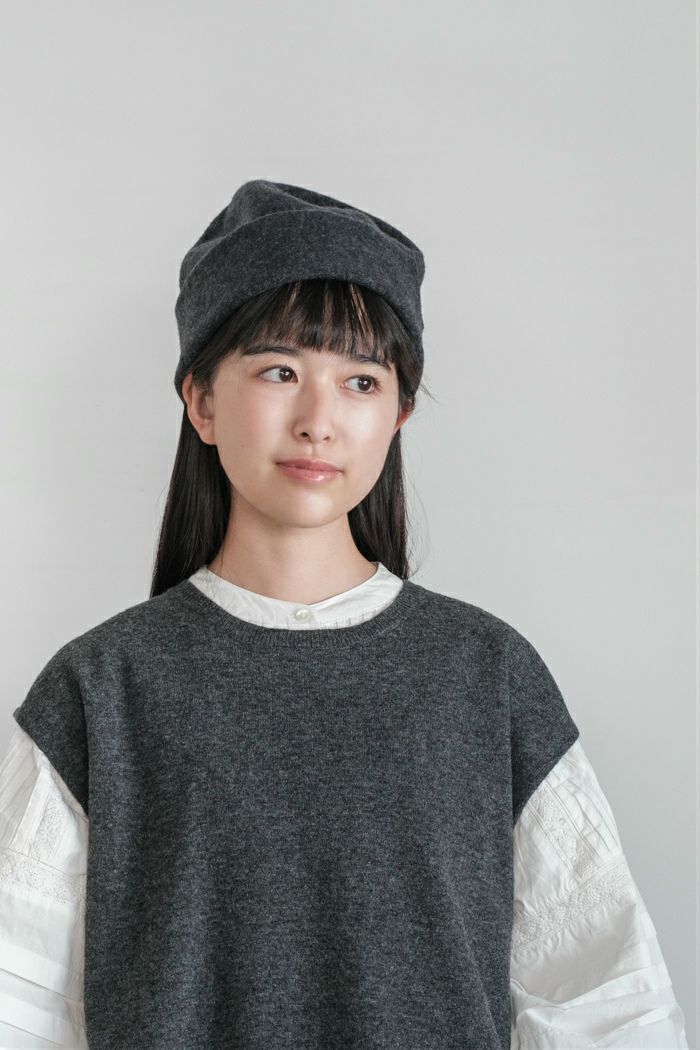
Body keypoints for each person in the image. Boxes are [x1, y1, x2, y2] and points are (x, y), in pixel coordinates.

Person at [0, 180, 688, 1049]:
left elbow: (603, 1000)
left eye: (361, 381)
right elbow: (20, 1005)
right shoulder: (101, 689)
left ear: (399, 414)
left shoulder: (487, 676)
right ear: (202, 401)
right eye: (279, 371)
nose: (318, 421)